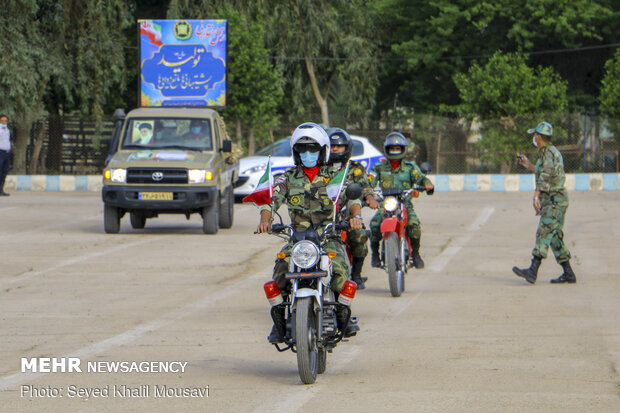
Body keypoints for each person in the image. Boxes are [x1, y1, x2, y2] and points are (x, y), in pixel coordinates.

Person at [256, 122, 362, 342]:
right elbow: (270, 201)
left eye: (312, 149)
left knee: (341, 275)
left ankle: (344, 317)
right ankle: (279, 323)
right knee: (280, 275)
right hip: (298, 239)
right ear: (296, 153)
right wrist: (265, 220)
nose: (307, 154)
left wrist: (356, 217)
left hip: (328, 236)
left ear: (322, 151)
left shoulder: (336, 175)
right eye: (302, 150)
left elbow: (352, 198)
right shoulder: (287, 177)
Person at [512, 121, 576, 284]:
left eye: (535, 135)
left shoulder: (547, 153)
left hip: (554, 200)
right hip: (556, 199)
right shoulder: (550, 152)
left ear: (538, 136)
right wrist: (528, 165)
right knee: (554, 237)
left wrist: (536, 195)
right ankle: (568, 273)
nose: (534, 137)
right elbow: (544, 172)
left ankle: (533, 270)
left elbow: (545, 177)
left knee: (544, 232)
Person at [369, 132, 434, 268]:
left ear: (403, 149)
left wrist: (427, 184)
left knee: (414, 225)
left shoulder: (410, 167)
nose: (394, 151)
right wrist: (366, 193)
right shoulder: (379, 167)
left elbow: (420, 177)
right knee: (375, 224)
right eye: (392, 148)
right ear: (387, 149)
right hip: (385, 203)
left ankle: (415, 254)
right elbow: (369, 181)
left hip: (404, 202)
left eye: (397, 148)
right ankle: (375, 254)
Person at [327, 127, 379, 289]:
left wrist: (370, 198)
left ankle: (356, 274)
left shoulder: (355, 167)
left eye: (339, 146)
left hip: (347, 211)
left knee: (359, 236)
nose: (335, 149)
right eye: (332, 146)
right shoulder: (320, 167)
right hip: (325, 213)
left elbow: (365, 186)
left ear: (346, 148)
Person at [0, 114, 11, 196]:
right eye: (2, 120)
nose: (4, 122)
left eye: (5, 121)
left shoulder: (7, 130)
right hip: (0, 152)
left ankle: (1, 190)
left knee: (4, 171)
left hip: (6, 153)